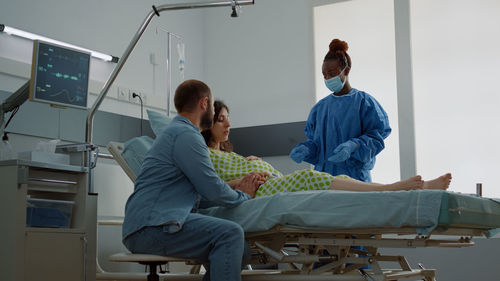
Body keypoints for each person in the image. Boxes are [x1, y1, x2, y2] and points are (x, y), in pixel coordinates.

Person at [122, 80, 266, 281]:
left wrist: (234, 187)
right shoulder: (186, 135)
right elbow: (212, 189)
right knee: (230, 234)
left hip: (153, 224)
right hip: (151, 227)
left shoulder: (177, 134)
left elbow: (199, 195)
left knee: (240, 248)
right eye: (214, 110)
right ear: (204, 103)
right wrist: (243, 196)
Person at [202, 100, 452, 197]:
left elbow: (377, 135)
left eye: (228, 118)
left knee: (335, 179)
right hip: (262, 190)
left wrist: (250, 162)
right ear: (206, 123)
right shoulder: (201, 154)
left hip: (272, 181)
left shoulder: (363, 102)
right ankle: (396, 189)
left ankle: (402, 188)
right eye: (221, 119)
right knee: (311, 177)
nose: (229, 124)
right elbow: (209, 186)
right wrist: (245, 177)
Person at [289, 39, 392, 182]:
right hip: (324, 180)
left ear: (346, 70)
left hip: (355, 179)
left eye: (332, 73)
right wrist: (307, 149)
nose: (328, 78)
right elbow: (316, 144)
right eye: (324, 75)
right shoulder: (319, 109)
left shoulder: (363, 102)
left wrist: (354, 146)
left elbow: (377, 136)